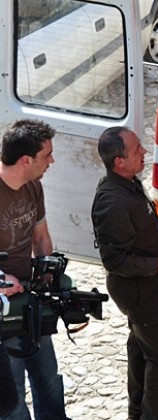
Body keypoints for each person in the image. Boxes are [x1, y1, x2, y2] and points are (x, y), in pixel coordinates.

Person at [91, 127, 158, 420]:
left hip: (144, 287)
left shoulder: (127, 184)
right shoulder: (112, 202)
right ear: (119, 162)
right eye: (136, 150)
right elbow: (114, 260)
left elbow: (139, 222)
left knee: (140, 345)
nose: (144, 151)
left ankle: (141, 409)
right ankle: (154, 413)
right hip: (136, 291)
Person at [0, 119, 69, 420]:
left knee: (48, 378)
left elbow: (41, 239)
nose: (52, 161)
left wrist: (50, 277)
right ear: (26, 160)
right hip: (3, 310)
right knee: (12, 393)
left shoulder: (33, 186)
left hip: (30, 300)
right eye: (47, 155)